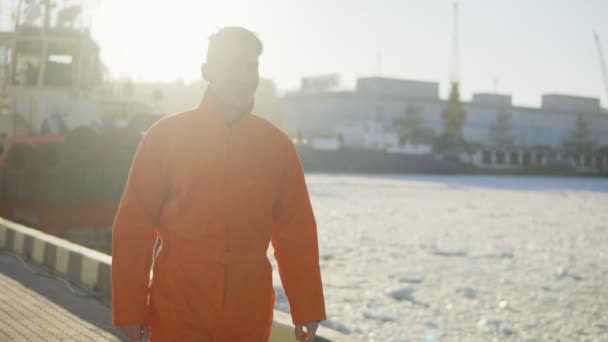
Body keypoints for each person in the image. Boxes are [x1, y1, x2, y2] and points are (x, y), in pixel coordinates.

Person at [111, 27, 326, 341]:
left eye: (251, 67)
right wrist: (131, 308)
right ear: (207, 71)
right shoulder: (166, 137)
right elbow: (134, 225)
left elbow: (296, 231)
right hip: (178, 306)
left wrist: (306, 306)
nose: (243, 75)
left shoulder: (276, 146)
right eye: (232, 65)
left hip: (247, 311)